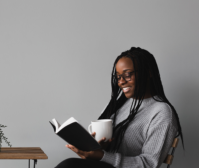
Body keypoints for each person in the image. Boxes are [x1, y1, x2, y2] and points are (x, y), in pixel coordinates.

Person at [55, 47, 184, 168]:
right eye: (118, 77)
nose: (121, 81)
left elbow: (149, 164)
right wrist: (100, 147)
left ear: (148, 73)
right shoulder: (118, 105)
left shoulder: (161, 112)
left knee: (69, 165)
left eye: (127, 75)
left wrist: (103, 156)